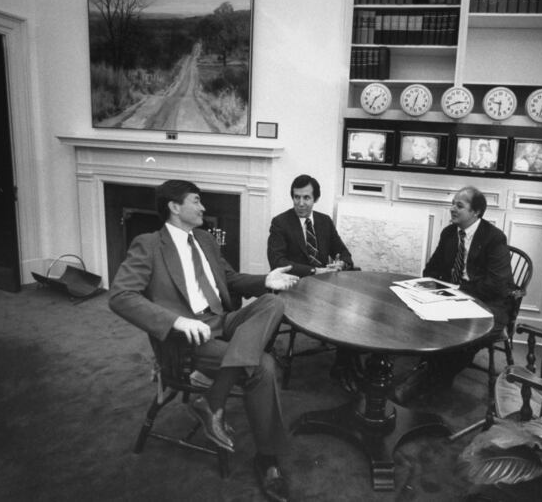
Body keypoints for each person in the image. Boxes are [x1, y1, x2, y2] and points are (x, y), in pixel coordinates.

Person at [110, 179, 298, 502]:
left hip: (221, 321)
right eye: (196, 201)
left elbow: (228, 279)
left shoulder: (206, 240)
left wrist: (265, 280)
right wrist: (175, 320)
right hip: (188, 337)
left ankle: (213, 400)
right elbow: (120, 295)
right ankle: (267, 460)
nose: (203, 207)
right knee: (264, 365)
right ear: (174, 206)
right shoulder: (149, 244)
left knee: (274, 303)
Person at [391, 186, 513, 405]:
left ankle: (427, 380)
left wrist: (457, 291)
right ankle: (430, 374)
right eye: (453, 204)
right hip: (452, 297)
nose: (452, 209)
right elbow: (431, 269)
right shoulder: (449, 233)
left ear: (476, 212)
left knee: (464, 336)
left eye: (459, 205)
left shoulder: (494, 238)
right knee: (417, 313)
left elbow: (496, 285)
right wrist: (435, 290)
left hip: (489, 304)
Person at [267, 174, 361, 393]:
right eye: (297, 197)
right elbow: (277, 262)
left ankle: (345, 364)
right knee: (340, 313)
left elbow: (344, 252)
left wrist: (340, 263)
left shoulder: (324, 221)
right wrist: (314, 270)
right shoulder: (280, 223)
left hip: (326, 285)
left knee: (351, 311)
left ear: (315, 199)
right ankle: (346, 365)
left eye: (306, 198)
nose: (301, 203)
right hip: (297, 286)